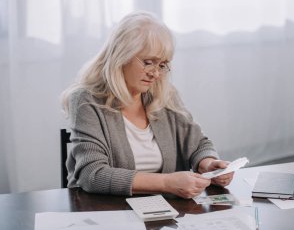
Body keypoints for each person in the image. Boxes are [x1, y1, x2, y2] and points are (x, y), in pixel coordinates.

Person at [61, 11, 234, 199]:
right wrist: (167, 183)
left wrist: (208, 163)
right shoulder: (86, 100)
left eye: (161, 65)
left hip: (162, 212)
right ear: (121, 55)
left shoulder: (164, 94)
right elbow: (93, 175)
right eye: (148, 62)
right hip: (104, 210)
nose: (156, 74)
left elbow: (198, 144)